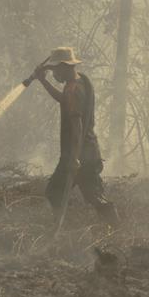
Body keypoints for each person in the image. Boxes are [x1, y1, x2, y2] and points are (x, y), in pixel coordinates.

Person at [31, 47, 119, 228]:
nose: (55, 74)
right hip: (89, 152)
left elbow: (77, 127)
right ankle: (116, 228)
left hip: (77, 154)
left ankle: (62, 230)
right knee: (95, 197)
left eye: (56, 70)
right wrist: (43, 81)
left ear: (65, 67)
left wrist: (75, 158)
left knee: (54, 192)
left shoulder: (72, 90)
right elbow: (64, 100)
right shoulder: (82, 82)